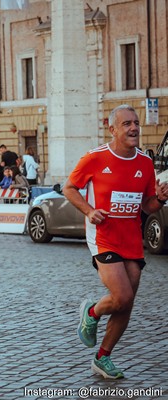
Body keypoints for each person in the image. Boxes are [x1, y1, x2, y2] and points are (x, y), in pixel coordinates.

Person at [64, 104, 168, 380]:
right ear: (112, 129)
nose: (134, 128)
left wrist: (161, 198)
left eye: (136, 123)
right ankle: (92, 311)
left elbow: (146, 206)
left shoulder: (145, 163)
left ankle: (103, 358)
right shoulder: (95, 158)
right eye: (127, 124)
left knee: (127, 302)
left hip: (131, 239)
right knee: (121, 296)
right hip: (103, 236)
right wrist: (89, 210)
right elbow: (69, 188)